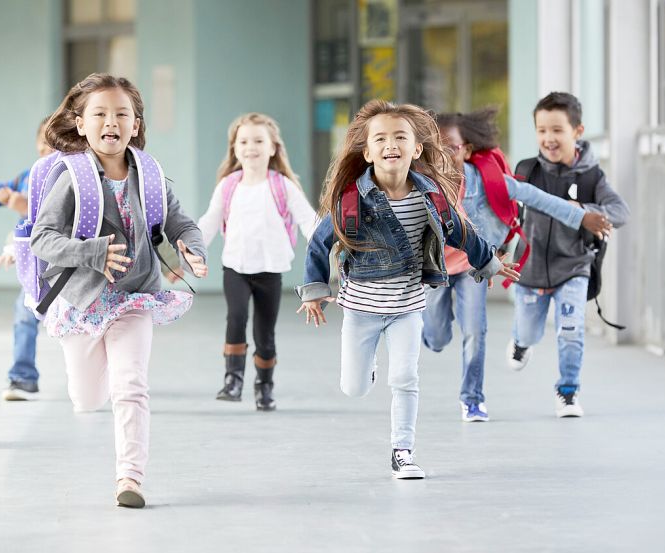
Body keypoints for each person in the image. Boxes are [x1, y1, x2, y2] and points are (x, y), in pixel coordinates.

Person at [296, 100, 519, 479]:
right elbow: (319, 244)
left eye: (400, 136)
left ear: (416, 149)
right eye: (380, 138)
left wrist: (490, 263)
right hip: (361, 310)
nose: (390, 144)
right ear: (367, 152)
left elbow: (463, 233)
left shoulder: (430, 197)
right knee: (354, 387)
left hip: (407, 306)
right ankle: (368, 367)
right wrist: (315, 290)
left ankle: (403, 451)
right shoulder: (351, 199)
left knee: (405, 378)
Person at [31, 73, 207, 508]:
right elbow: (43, 238)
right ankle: (101, 373)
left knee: (131, 385)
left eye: (121, 114)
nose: (111, 121)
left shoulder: (148, 174)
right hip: (82, 300)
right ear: (80, 123)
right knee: (87, 398)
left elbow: (178, 220)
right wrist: (90, 252)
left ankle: (130, 479)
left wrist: (192, 246)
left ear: (135, 123)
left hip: (135, 295)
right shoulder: (72, 177)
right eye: (100, 114)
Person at [423, 108, 612, 422]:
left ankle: (472, 399)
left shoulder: (487, 181)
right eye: (434, 149)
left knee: (475, 331)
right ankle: (431, 334)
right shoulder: (419, 184)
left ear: (467, 150)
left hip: (475, 266)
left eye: (451, 147)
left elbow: (536, 197)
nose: (442, 156)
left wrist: (581, 217)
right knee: (438, 338)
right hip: (435, 268)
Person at [506, 92, 630, 418]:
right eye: (542, 130)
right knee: (530, 331)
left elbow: (620, 211)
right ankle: (520, 341)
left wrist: (584, 210)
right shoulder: (526, 170)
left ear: (578, 131)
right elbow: (505, 210)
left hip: (574, 265)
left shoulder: (592, 177)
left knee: (571, 329)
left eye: (557, 130)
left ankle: (568, 392)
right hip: (529, 268)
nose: (549, 138)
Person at [197, 113, 317, 411]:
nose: (251, 147)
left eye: (259, 141)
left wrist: (333, 245)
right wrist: (188, 252)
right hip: (235, 268)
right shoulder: (228, 185)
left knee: (265, 332)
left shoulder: (283, 186)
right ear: (235, 148)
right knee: (235, 318)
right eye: (244, 141)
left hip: (270, 271)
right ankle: (233, 379)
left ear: (273, 147)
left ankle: (264, 386)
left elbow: (309, 221)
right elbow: (208, 224)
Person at [0, 118, 53, 401]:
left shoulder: (78, 177)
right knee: (25, 316)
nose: (49, 155)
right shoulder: (29, 176)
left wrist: (26, 206)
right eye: (44, 149)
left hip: (73, 265)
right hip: (36, 265)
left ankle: (100, 380)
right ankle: (23, 377)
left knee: (85, 326)